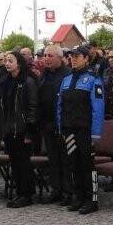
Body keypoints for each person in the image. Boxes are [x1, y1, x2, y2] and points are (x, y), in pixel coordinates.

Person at [57, 46, 105, 215]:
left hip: (85, 130)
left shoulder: (93, 80)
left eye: (77, 56)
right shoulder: (66, 79)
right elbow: (60, 106)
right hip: (69, 130)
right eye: (72, 56)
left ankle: (92, 199)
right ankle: (78, 196)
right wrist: (60, 126)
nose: (73, 59)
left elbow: (98, 108)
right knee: (73, 163)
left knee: (87, 164)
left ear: (86, 59)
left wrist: (95, 133)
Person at [0, 51, 40, 208]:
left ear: (19, 64)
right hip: (10, 129)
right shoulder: (6, 81)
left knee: (23, 163)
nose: (7, 63)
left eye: (11, 61)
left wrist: (30, 131)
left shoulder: (28, 82)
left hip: (23, 130)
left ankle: (26, 194)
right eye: (6, 61)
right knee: (14, 162)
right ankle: (19, 192)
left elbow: (33, 107)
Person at [38, 46, 71, 205]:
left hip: (63, 124)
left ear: (60, 57)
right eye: (45, 55)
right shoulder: (44, 75)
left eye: (50, 55)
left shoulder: (68, 75)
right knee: (53, 159)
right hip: (47, 123)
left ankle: (68, 191)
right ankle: (56, 189)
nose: (46, 58)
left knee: (65, 159)